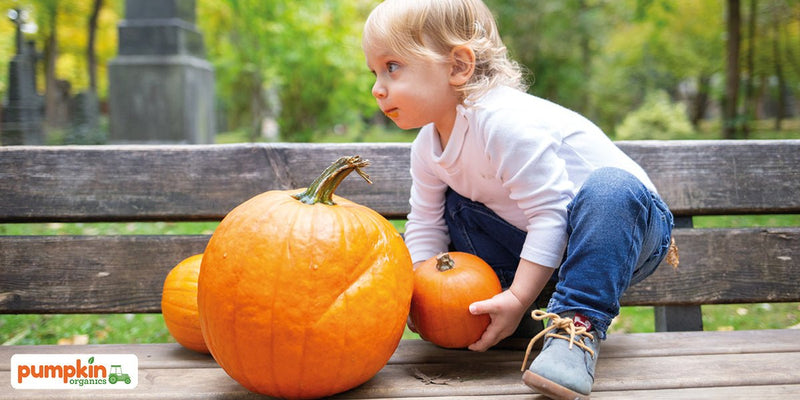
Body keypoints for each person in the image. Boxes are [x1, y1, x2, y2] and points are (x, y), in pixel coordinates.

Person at [362, 1, 677, 399]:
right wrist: (424, 298)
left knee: (611, 187)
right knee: (453, 207)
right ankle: (520, 318)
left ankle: (574, 329)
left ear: (458, 66)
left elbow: (552, 214)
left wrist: (517, 296)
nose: (377, 87)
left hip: (624, 228)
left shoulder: (504, 122)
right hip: (544, 246)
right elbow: (425, 224)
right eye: (373, 72)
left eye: (392, 67)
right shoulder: (427, 146)